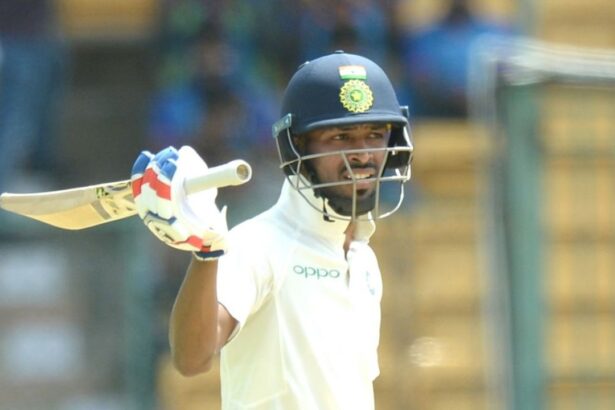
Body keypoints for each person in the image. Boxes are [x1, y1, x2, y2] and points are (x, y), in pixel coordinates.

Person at [130, 51, 413, 409]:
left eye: (374, 134)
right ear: (297, 144)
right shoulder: (257, 245)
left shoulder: (364, 259)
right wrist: (206, 251)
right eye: (340, 137)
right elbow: (191, 358)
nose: (362, 154)